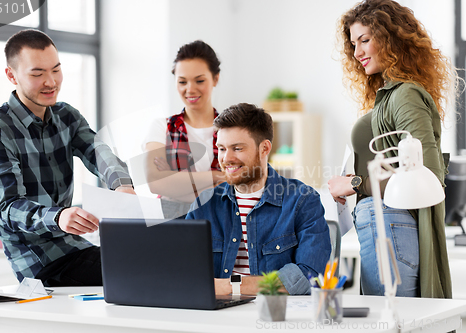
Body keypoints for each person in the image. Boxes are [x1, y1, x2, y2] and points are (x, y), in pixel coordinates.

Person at [0, 29, 136, 287]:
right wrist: (58, 217)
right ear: (11, 75)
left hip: (73, 246)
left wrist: (122, 185)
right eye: (37, 73)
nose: (51, 82)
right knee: (138, 264)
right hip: (38, 262)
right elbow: (7, 207)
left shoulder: (66, 116)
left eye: (56, 69)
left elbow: (98, 151)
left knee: (150, 253)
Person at [329, 0, 455, 298]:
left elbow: (425, 174)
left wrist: (354, 183)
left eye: (365, 40)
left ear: (391, 39)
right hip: (384, 222)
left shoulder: (406, 94)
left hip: (388, 222)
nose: (357, 52)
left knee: (391, 322)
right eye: (353, 43)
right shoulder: (390, 95)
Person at [186, 103, 331, 295]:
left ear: (264, 148)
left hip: (277, 313)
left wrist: (231, 287)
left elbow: (309, 274)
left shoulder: (303, 200)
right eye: (221, 149)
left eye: (237, 148)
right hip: (216, 315)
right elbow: (185, 270)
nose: (226, 158)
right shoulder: (204, 203)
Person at [142, 40, 225, 219]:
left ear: (215, 78)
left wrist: (175, 183)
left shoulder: (232, 129)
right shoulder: (161, 127)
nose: (190, 89)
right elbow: (155, 182)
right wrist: (218, 176)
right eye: (182, 81)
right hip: (172, 225)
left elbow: (241, 185)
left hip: (223, 223)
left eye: (199, 80)